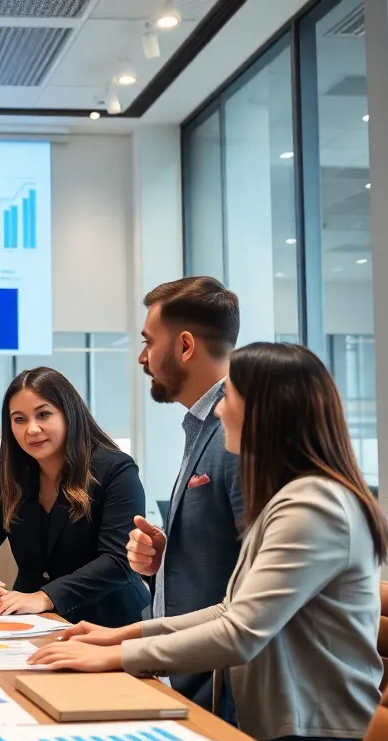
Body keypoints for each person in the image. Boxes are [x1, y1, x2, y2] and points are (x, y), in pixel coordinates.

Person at [30, 343, 387, 741]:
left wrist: (118, 657)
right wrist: (120, 635)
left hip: (312, 737)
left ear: (265, 412)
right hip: (285, 726)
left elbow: (239, 633)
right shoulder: (291, 499)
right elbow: (229, 610)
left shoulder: (314, 506)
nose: (219, 412)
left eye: (229, 397)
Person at [0, 367, 150, 627]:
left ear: (69, 414)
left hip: (110, 623)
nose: (32, 429)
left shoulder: (115, 470)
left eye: (43, 414)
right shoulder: (11, 477)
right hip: (33, 624)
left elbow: (118, 560)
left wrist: (45, 596)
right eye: (19, 419)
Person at [131, 276, 244, 713]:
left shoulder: (237, 429)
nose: (142, 358)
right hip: (191, 673)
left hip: (225, 692)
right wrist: (165, 557)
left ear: (184, 346)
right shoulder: (202, 426)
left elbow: (253, 588)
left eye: (148, 342)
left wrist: (124, 646)